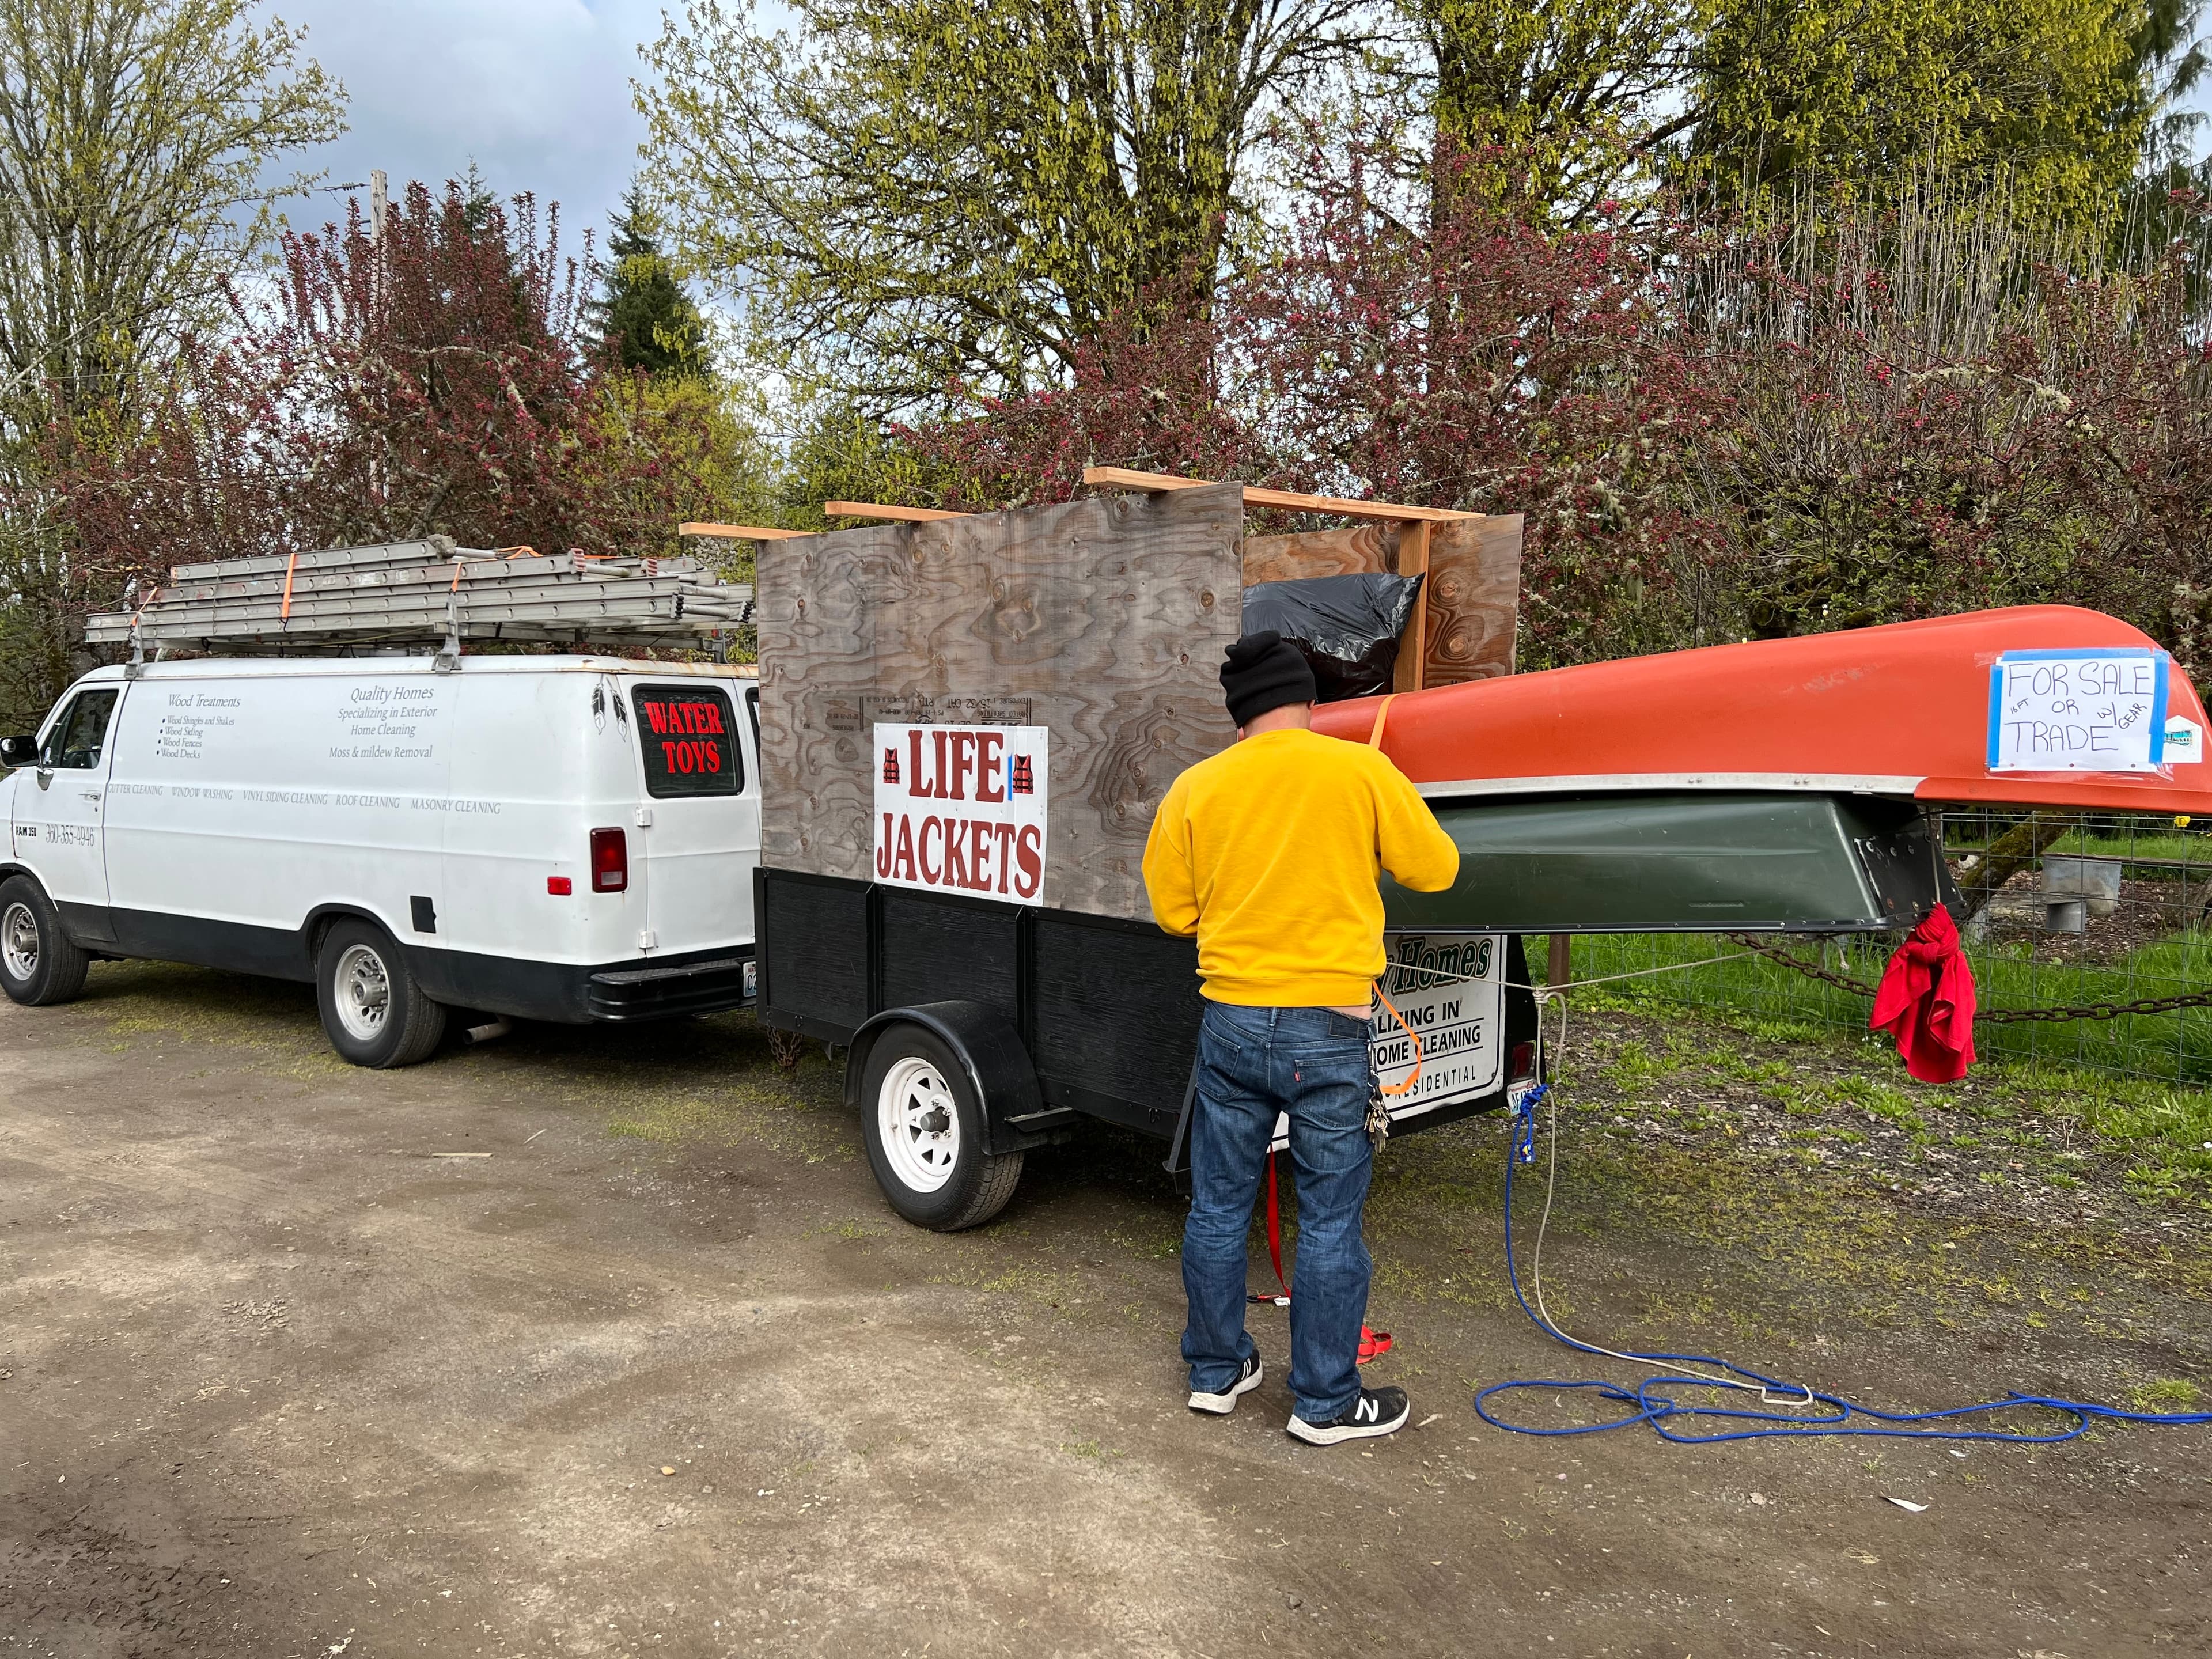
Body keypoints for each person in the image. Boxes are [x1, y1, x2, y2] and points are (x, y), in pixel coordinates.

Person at [1142, 630, 1460, 1445]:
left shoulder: (1195, 787)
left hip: (1233, 1025)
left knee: (1217, 1207)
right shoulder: (1360, 770)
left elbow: (1174, 913)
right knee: (1327, 1222)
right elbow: (1437, 869)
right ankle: (1323, 1401)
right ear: (1308, 704)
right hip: (1328, 1028)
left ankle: (1216, 1373)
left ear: (1238, 716)